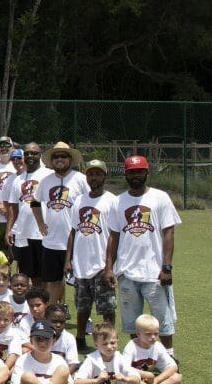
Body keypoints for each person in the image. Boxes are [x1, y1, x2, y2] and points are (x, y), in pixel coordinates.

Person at [104, 155, 181, 356]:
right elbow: (113, 236)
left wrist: (167, 266)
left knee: (162, 319)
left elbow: (169, 233)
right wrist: (109, 267)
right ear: (126, 174)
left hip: (154, 272)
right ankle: (139, 357)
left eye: (139, 171)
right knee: (131, 322)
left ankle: (169, 356)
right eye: (131, 172)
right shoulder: (117, 202)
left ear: (147, 172)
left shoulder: (160, 197)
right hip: (127, 272)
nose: (135, 175)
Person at [64, 159, 118, 349]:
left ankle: (110, 340)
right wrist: (68, 259)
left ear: (104, 176)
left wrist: (109, 266)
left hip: (101, 264)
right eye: (90, 174)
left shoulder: (112, 200)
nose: (94, 177)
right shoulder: (79, 199)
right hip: (81, 263)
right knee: (82, 306)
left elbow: (114, 234)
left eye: (98, 174)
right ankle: (80, 338)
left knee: (107, 307)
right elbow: (73, 230)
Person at [31, 141, 88, 308]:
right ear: (52, 160)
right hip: (52, 242)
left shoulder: (81, 179)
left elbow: (90, 204)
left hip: (77, 241)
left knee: (80, 283)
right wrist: (40, 224)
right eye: (56, 156)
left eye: (64, 156)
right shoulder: (46, 181)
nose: (60, 159)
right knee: (51, 281)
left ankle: (84, 319)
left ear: (70, 159)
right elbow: (34, 202)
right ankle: (52, 313)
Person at [10, 320, 90, 384]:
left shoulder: (59, 360)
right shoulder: (23, 359)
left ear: (54, 341)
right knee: (27, 377)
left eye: (47, 339)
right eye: (38, 339)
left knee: (63, 370)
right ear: (31, 340)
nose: (42, 342)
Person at [4, 142, 52, 283]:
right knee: (30, 273)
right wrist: (9, 230)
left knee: (50, 274)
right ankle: (37, 301)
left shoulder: (48, 175)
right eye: (27, 153)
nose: (30, 156)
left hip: (45, 233)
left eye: (34, 153)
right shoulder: (17, 180)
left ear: (40, 155)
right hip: (24, 232)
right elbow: (13, 208)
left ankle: (57, 304)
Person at [72, 322, 142, 384]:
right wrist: (96, 380)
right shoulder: (91, 360)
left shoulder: (119, 357)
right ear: (96, 345)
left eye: (113, 343)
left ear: (117, 341)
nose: (109, 347)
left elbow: (137, 379)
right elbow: (77, 383)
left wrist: (125, 379)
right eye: (105, 344)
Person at [121, 314, 186, 384]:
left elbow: (173, 366)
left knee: (177, 377)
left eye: (156, 334)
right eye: (148, 334)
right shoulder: (131, 346)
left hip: (149, 381)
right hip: (134, 379)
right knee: (136, 381)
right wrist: (147, 375)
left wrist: (156, 380)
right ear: (138, 334)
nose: (153, 337)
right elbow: (125, 368)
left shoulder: (157, 346)